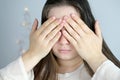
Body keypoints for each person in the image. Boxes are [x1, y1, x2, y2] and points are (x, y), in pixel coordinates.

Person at [0, 0, 120, 80]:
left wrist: (96, 58)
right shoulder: (28, 73)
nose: (63, 41)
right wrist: (32, 54)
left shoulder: (108, 73)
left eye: (72, 29)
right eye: (55, 30)